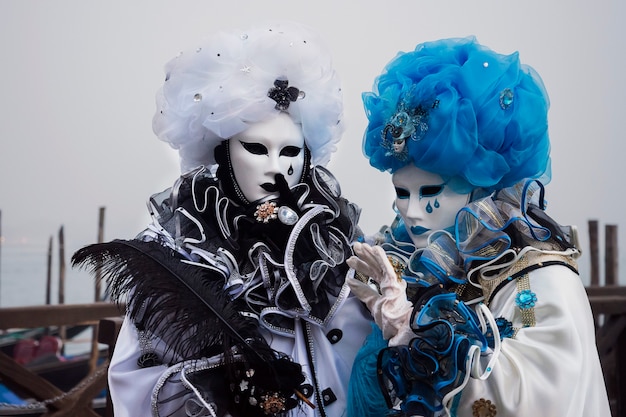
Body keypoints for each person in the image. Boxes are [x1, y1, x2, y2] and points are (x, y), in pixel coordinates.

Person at [72, 21, 372, 417]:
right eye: (256, 148)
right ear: (223, 153)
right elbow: (137, 383)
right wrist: (231, 386)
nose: (275, 168)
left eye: (290, 152)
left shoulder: (333, 241)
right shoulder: (187, 250)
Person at [345, 37, 611, 417]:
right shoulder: (413, 264)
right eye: (402, 193)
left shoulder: (535, 277)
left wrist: (412, 329)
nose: (412, 211)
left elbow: (539, 393)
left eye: (431, 191)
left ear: (480, 188)